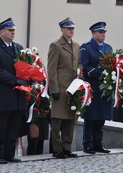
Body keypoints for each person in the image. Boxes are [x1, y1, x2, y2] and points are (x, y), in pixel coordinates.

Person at [0, 17, 28, 164]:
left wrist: (29, 76)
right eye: (10, 31)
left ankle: (10, 154)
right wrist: (15, 80)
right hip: (5, 93)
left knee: (14, 125)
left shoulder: (18, 47)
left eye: (14, 30)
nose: (13, 33)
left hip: (18, 93)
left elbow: (25, 65)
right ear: (2, 32)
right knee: (2, 125)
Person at [47, 17, 79, 159]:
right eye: (68, 28)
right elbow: (51, 69)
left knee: (70, 119)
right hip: (60, 88)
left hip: (73, 89)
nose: (71, 31)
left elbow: (78, 66)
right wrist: (53, 89)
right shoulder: (56, 45)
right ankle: (56, 149)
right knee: (57, 120)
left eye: (72, 28)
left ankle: (67, 148)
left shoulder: (76, 45)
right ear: (62, 30)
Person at [80, 21, 113, 154]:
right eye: (100, 32)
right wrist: (101, 73)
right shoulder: (86, 47)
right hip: (92, 87)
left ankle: (98, 144)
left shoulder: (108, 48)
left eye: (104, 32)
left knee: (101, 118)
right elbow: (85, 67)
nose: (103, 34)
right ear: (93, 34)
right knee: (91, 118)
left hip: (104, 88)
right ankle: (88, 144)